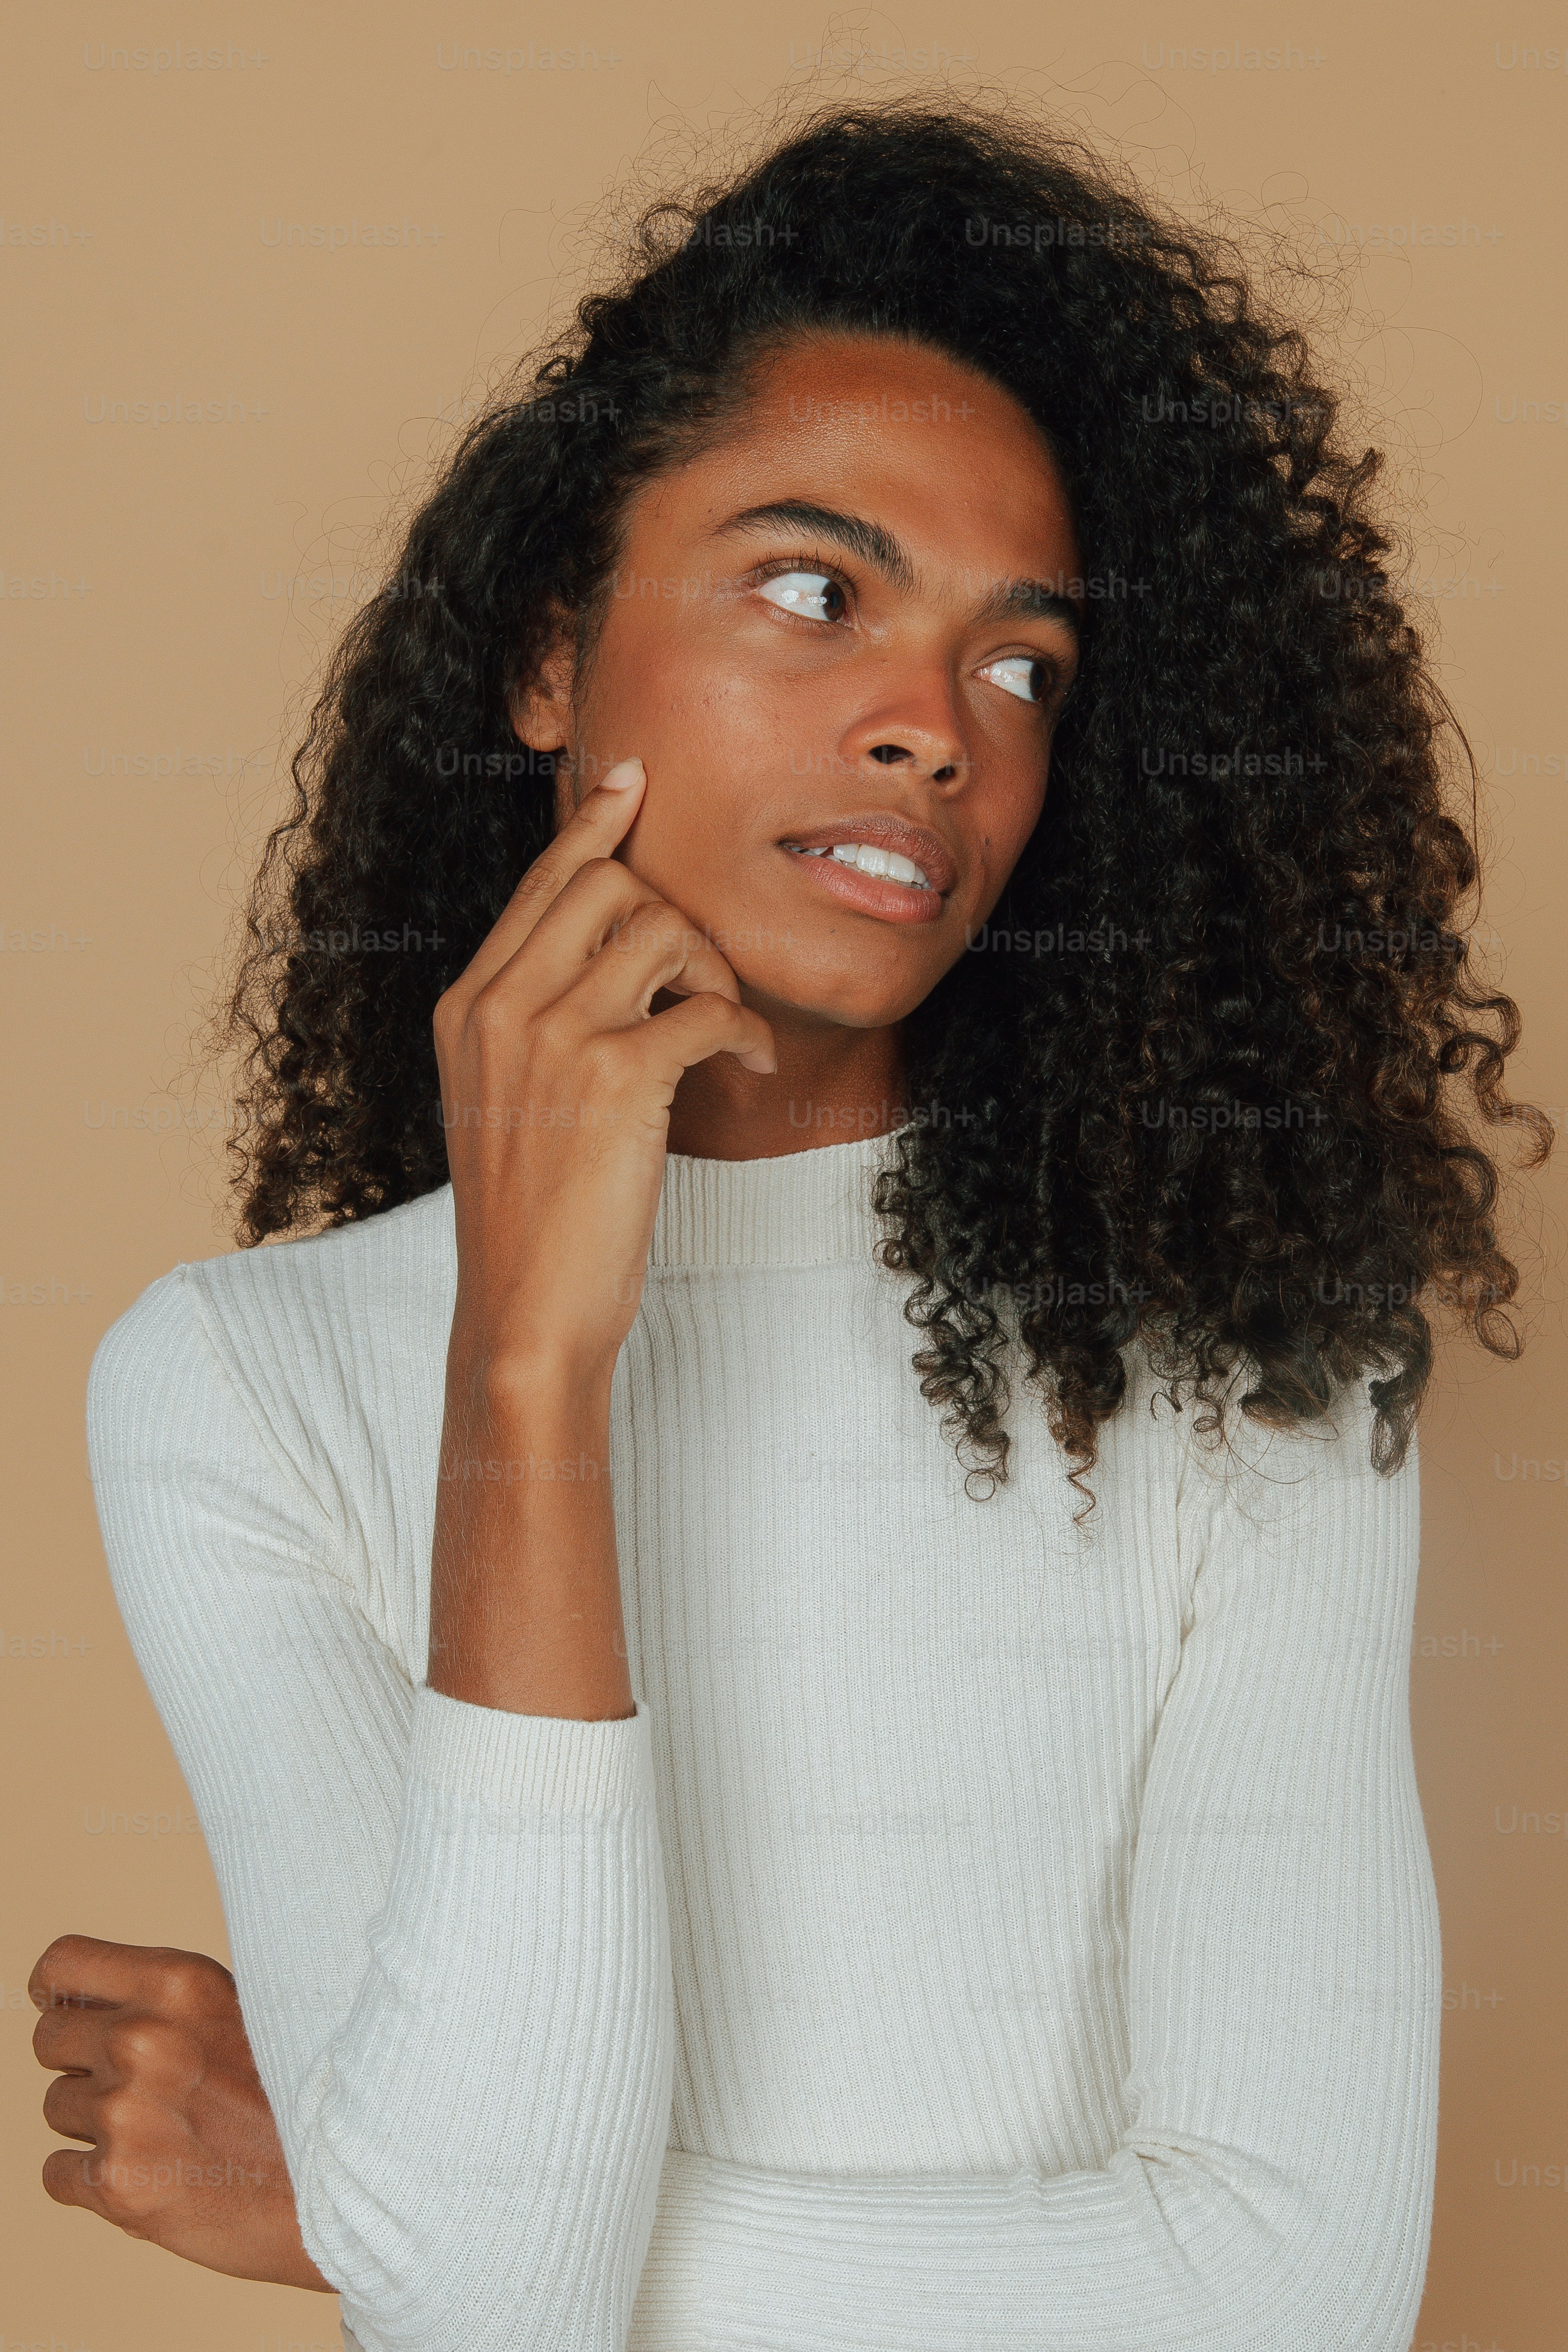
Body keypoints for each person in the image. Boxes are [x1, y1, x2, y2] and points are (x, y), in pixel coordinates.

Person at [30, 101, 1547, 2350]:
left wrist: (349, 2188)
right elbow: (483, 2319)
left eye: (1015, 666)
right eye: (813, 588)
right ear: (551, 657)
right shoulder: (240, 1381)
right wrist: (528, 1362)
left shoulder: (1247, 1359)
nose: (932, 728)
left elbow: (1291, 2287)